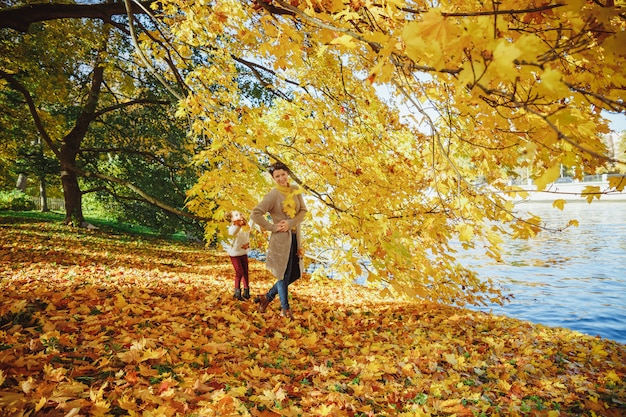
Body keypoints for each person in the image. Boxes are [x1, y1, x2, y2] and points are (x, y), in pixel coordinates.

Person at [251, 161, 307, 319]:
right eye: (277, 176)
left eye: (283, 174)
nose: (281, 178)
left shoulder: (295, 190)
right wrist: (272, 227)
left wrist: (291, 223)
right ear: (273, 178)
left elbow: (303, 211)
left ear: (287, 173)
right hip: (281, 240)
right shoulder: (273, 195)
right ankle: (285, 309)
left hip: (296, 237)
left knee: (295, 273)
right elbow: (255, 213)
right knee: (283, 274)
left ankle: (267, 297)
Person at [224, 210, 251, 300]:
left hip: (243, 252)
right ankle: (237, 292)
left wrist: (247, 244)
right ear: (231, 219)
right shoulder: (233, 228)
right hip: (234, 254)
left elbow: (247, 234)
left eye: (240, 214)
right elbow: (233, 232)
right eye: (236, 215)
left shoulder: (245, 227)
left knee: (245, 271)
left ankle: (247, 291)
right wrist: (239, 224)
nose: (239, 216)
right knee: (239, 271)